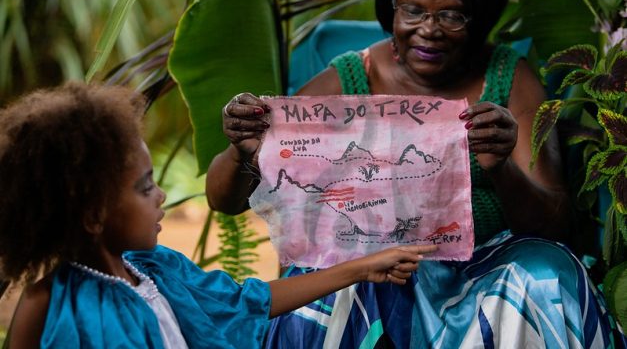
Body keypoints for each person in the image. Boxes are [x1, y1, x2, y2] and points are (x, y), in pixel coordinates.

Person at [206, 0, 627, 347]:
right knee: (333, 287)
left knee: (541, 274)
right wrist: (243, 149)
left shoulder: (507, 78)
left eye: (452, 16)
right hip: (368, 264)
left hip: (483, 263)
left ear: (477, 18)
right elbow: (223, 202)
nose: (429, 30)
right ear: (391, 10)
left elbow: (556, 223)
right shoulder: (350, 79)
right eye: (412, 11)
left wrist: (501, 167)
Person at [0, 82, 439, 348]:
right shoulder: (47, 302)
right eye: (145, 186)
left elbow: (251, 301)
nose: (161, 197)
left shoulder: (158, 270)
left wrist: (363, 268)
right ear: (93, 214)